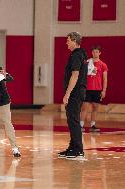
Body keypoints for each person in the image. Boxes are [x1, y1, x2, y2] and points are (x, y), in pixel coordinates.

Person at [58, 32, 87, 160]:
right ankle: (72, 147)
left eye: (68, 40)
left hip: (75, 93)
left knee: (74, 120)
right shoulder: (80, 54)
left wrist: (67, 94)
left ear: (75, 41)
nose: (66, 43)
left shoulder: (76, 55)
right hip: (77, 92)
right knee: (71, 120)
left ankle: (78, 150)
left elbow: (75, 75)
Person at [80, 45, 108, 132]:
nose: (95, 53)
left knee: (95, 107)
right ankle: (80, 125)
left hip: (97, 89)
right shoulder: (87, 63)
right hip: (87, 88)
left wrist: (103, 90)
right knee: (84, 107)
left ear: (100, 53)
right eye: (93, 52)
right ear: (91, 53)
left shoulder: (103, 65)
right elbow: (81, 75)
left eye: (96, 52)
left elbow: (105, 79)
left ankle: (93, 125)